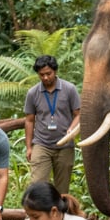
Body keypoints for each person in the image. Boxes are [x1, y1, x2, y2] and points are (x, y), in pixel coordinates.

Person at [24, 55, 80, 194]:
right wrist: (29, 147)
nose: (45, 78)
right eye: (41, 75)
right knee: (37, 185)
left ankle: (60, 215)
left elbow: (78, 114)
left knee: (62, 189)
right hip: (41, 144)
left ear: (55, 71)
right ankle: (37, 214)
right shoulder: (33, 93)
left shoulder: (69, 89)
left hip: (64, 145)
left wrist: (71, 129)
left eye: (48, 74)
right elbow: (29, 120)